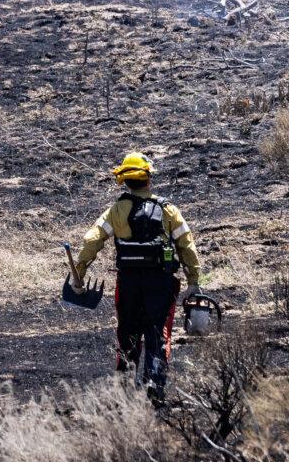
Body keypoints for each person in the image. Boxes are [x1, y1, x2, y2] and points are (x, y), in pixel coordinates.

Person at [71, 152, 202, 400]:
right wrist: (194, 281)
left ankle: (124, 390)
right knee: (158, 334)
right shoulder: (169, 210)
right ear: (148, 178)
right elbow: (187, 246)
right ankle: (155, 386)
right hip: (162, 284)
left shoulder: (117, 211)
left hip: (129, 283)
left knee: (127, 333)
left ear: (124, 180)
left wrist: (80, 272)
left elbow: (92, 239)